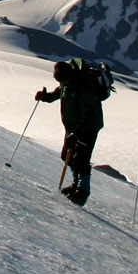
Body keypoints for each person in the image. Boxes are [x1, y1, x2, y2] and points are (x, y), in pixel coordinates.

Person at [35, 59, 106, 206]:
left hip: (88, 127)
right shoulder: (68, 81)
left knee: (81, 158)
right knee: (66, 156)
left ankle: (83, 191)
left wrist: (76, 134)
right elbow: (61, 92)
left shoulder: (84, 86)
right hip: (72, 127)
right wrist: (46, 97)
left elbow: (89, 113)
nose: (63, 83)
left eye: (64, 81)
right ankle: (76, 184)